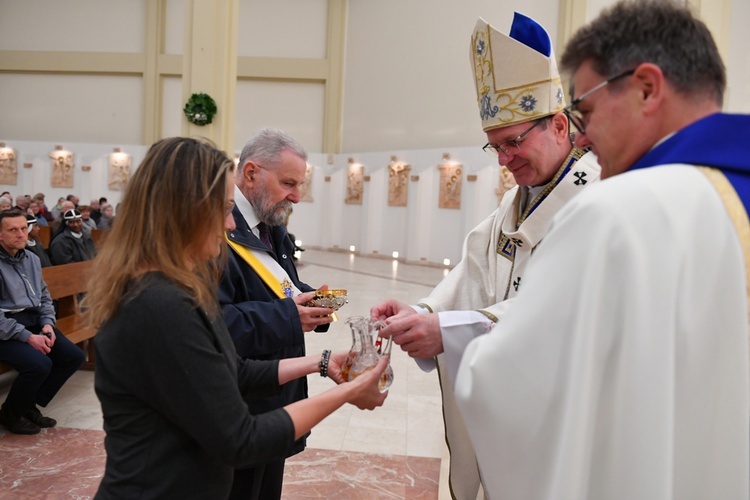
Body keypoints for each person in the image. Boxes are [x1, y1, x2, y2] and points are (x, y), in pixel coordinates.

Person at [454, 1, 750, 498]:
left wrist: (462, 340)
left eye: (586, 110)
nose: (584, 134)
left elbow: (506, 382)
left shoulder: (618, 211)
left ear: (647, 88)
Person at [370, 13, 601, 498]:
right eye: (494, 146)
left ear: (559, 125)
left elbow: (567, 309)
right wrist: (424, 314)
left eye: (513, 142)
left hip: (558, 424)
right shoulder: (514, 203)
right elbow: (472, 271)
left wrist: (449, 332)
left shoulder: (597, 203)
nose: (503, 159)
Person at [87, 137, 388, 498]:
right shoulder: (156, 304)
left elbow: (234, 368)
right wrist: (350, 392)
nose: (231, 225)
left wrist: (323, 363)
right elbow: (239, 439)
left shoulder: (174, 288)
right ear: (186, 212)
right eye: (225, 209)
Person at [218, 128, 336, 500]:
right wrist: (289, 316)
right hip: (239, 403)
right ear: (251, 173)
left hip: (274, 393)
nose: (297, 197)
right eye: (289, 183)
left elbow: (278, 288)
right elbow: (214, 324)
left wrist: (314, 303)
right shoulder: (218, 230)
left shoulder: (270, 224)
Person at [0, 209, 84, 434]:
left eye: (23, 228)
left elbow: (44, 295)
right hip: (5, 328)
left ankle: (27, 405)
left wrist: (47, 322)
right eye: (13, 230)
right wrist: (27, 337)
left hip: (34, 320)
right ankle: (10, 412)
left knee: (73, 356)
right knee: (39, 364)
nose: (21, 234)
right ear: (0, 235)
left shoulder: (31, 258)